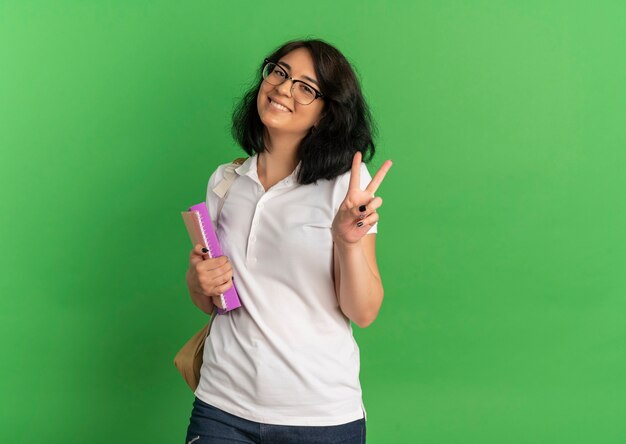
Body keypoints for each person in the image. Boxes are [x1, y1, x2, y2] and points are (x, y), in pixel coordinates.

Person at [184, 38, 392, 444]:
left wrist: (348, 242)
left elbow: (363, 312)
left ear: (325, 113)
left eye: (306, 87)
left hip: (320, 415)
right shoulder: (225, 182)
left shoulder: (346, 190)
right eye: (279, 72)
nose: (283, 88)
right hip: (221, 407)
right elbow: (210, 297)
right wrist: (198, 281)